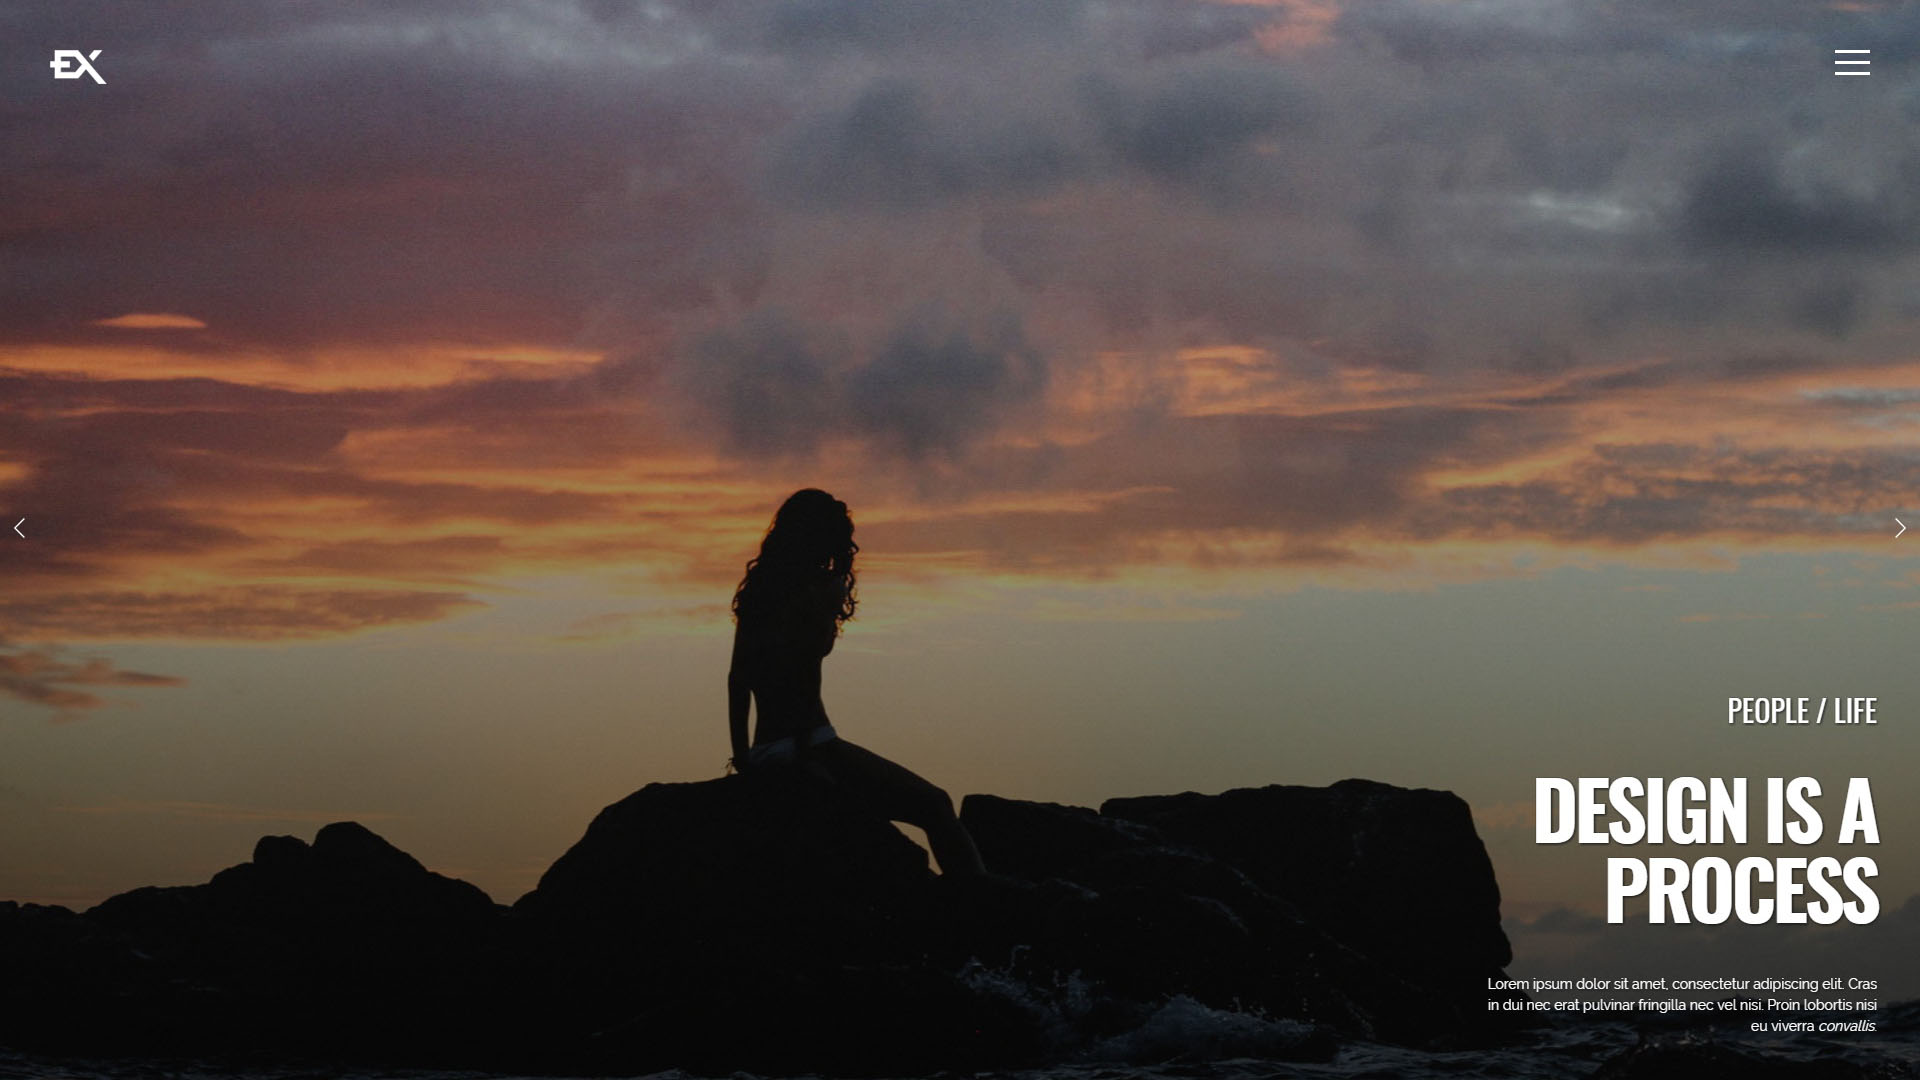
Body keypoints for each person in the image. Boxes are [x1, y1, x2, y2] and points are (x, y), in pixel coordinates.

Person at [727, 488, 986, 877]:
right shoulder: (818, 589)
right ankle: (982, 904)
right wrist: (807, 756)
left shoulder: (759, 592)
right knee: (935, 805)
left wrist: (744, 758)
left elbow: (738, 679)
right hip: (812, 743)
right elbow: (805, 675)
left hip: (766, 749)